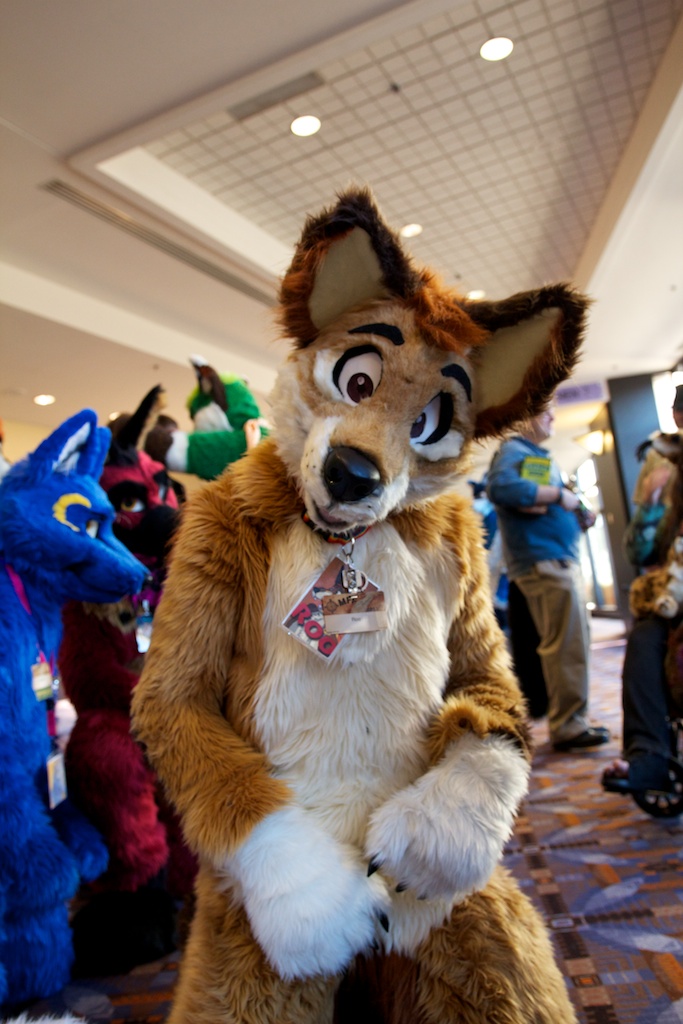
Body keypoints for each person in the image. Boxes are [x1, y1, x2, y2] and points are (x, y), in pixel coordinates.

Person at [487, 403, 609, 751]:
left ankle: (570, 720)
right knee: (566, 645)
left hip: (552, 560)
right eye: (545, 411)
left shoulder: (530, 454)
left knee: (571, 642)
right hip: (545, 562)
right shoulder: (514, 449)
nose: (553, 416)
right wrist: (558, 495)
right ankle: (569, 725)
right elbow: (501, 488)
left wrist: (573, 510)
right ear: (524, 417)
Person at [602, 386, 683, 795]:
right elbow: (638, 551)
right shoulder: (666, 463)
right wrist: (650, 500)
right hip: (674, 593)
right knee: (645, 638)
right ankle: (649, 757)